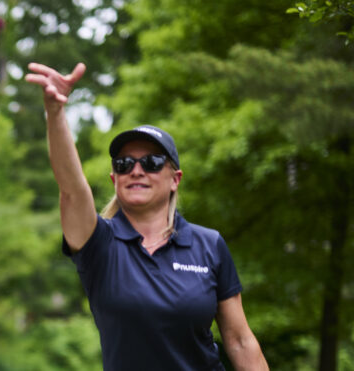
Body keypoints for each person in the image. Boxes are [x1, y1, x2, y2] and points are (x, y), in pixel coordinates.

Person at [26, 62, 269, 370]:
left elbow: (240, 340)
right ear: (115, 179)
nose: (136, 170)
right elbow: (72, 189)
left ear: (174, 179)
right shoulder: (99, 244)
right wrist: (56, 113)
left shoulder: (209, 245)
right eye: (124, 163)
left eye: (152, 162)